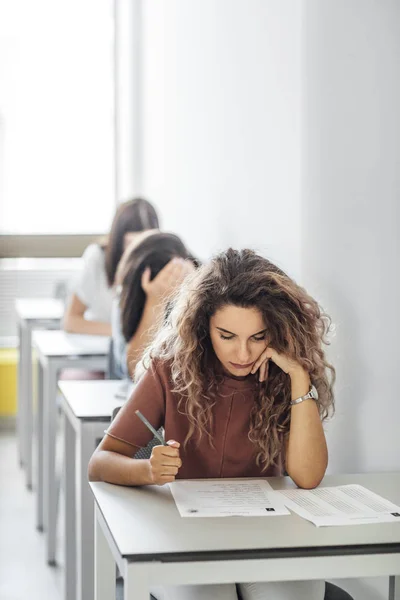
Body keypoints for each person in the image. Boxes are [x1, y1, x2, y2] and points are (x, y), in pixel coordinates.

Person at [89, 248, 335, 600]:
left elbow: (308, 477)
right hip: (184, 534)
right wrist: (149, 471)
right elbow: (99, 464)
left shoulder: (284, 375)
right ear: (204, 326)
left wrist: (298, 376)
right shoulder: (169, 369)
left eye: (258, 337)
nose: (243, 354)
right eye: (227, 336)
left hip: (265, 534)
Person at [63, 198, 159, 336]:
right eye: (131, 243)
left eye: (145, 243)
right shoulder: (97, 257)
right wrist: (123, 336)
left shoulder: (160, 262)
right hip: (100, 347)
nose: (138, 252)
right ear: (118, 241)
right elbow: (71, 321)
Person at [111, 231, 197, 379]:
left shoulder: (198, 283)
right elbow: (135, 372)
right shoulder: (124, 299)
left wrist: (193, 292)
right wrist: (155, 301)